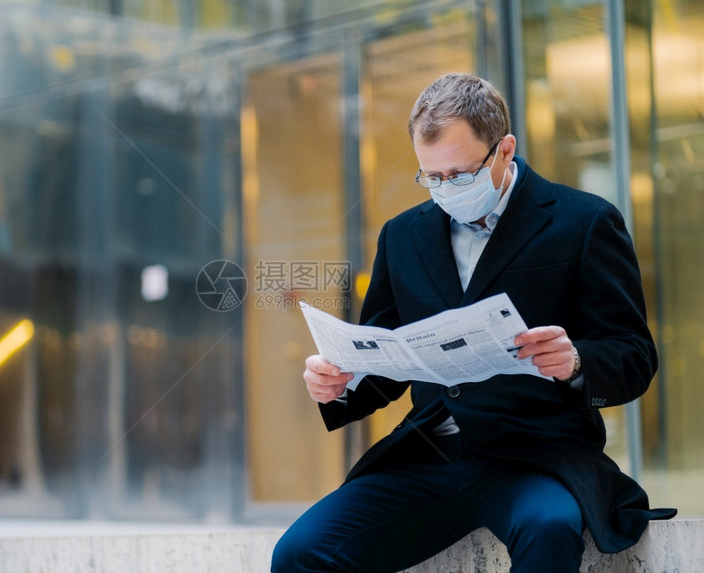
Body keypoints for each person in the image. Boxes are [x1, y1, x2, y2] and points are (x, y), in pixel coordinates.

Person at [271, 73, 676, 573]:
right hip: (429, 453)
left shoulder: (585, 221)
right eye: (431, 177)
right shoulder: (402, 236)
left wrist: (575, 361)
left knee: (549, 529)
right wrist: (340, 381)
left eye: (459, 174)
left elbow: (634, 354)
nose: (445, 189)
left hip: (537, 455)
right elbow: (383, 355)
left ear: (504, 150)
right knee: (299, 553)